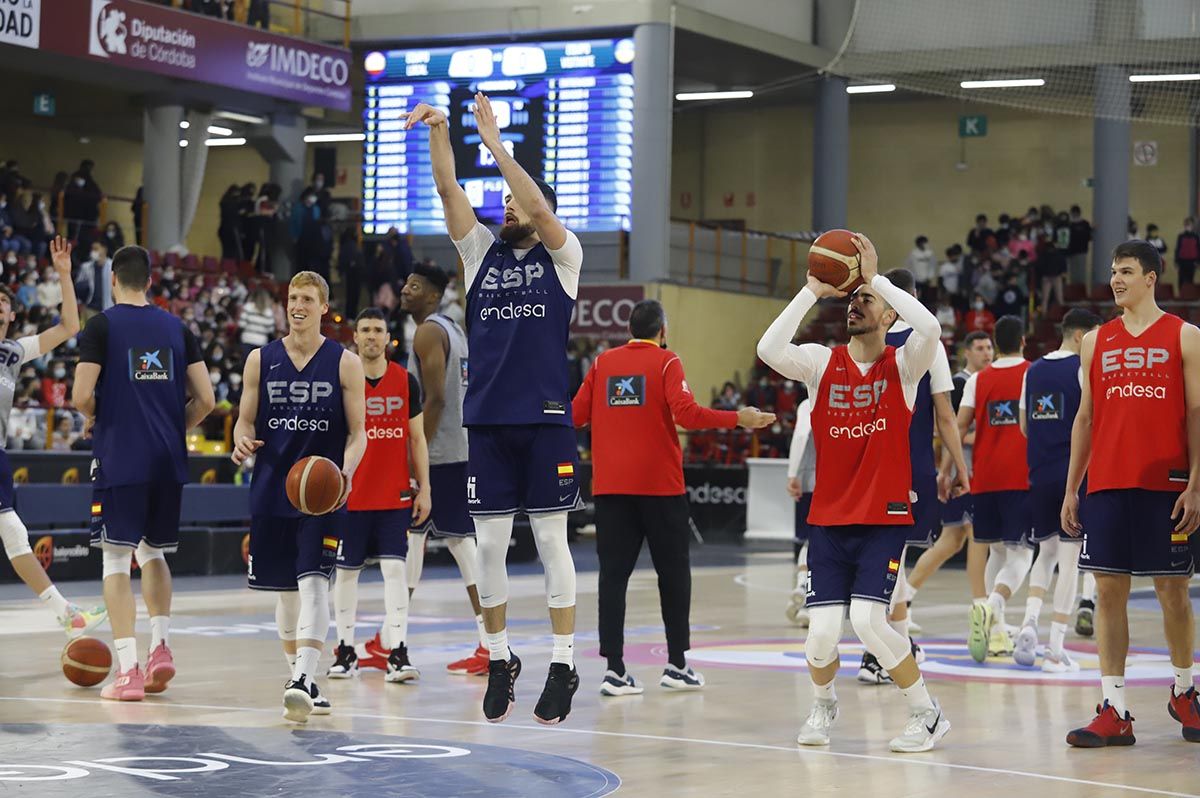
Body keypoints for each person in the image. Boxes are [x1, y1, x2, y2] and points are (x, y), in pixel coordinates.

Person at [405, 93, 583, 725]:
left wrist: (499, 147)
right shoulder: (480, 255)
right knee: (490, 549)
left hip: (545, 423)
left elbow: (534, 202)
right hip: (487, 423)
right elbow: (449, 187)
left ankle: (563, 662)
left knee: (553, 541)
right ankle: (501, 657)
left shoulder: (564, 258)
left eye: (517, 201)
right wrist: (442, 132)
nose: (508, 206)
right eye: (503, 200)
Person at [757, 233, 951, 753]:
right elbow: (768, 349)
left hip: (883, 517)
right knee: (820, 634)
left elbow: (930, 326)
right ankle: (823, 705)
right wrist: (811, 292)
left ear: (890, 316)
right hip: (829, 519)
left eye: (867, 301)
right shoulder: (821, 364)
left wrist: (876, 278)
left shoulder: (905, 367)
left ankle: (926, 713)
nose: (856, 304)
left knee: (867, 620)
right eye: (855, 299)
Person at [574, 299, 773, 696]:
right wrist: (739, 418)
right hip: (660, 490)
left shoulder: (601, 364)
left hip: (611, 490)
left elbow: (576, 415)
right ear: (662, 332)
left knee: (612, 579)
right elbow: (688, 414)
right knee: (674, 577)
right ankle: (677, 665)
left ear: (629, 329)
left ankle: (614, 670)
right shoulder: (667, 362)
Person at [1062, 240, 1200, 747]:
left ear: (1151, 278)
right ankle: (1114, 709)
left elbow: (1197, 415)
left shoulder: (1186, 337)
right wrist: (1072, 487)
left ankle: (1185, 691)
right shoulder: (1096, 341)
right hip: (1106, 484)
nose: (1115, 279)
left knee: (1173, 593)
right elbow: (1085, 418)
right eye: (1112, 272)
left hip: (1165, 485)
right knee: (1106, 592)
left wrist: (1196, 483)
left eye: (1126, 271)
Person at [73, 244, 216, 701]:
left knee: (116, 559)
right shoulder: (177, 327)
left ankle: (128, 670)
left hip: (122, 457)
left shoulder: (102, 325)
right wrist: (175, 426)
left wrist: (103, 415)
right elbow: (208, 401)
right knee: (154, 553)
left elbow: (80, 396)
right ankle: (160, 648)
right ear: (150, 281)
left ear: (113, 280)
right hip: (168, 459)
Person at [231, 271, 367, 723]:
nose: (297, 305)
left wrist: (344, 472)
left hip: (323, 495)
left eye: (307, 298)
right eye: (292, 298)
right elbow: (244, 421)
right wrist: (241, 441)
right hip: (272, 488)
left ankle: (304, 677)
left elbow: (359, 433)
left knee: (314, 584)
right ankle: (302, 678)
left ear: (323, 307)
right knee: (285, 594)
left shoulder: (344, 362)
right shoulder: (260, 360)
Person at [857, 268, 968, 685]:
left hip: (864, 461)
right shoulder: (926, 344)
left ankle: (895, 647)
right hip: (905, 463)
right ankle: (880, 653)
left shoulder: (863, 340)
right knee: (892, 558)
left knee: (887, 557)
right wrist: (957, 465)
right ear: (915, 298)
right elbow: (945, 416)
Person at [0, 238, 105, 637]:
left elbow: (70, 327)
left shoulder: (12, 351)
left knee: (13, 533)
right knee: (12, 532)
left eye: (3, 301)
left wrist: (63, 273)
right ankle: (66, 613)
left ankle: (66, 614)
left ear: (11, 313)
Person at [398, 263, 492, 676]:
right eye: (406, 282)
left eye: (414, 286)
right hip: (461, 447)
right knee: (426, 542)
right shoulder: (454, 329)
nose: (405, 289)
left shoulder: (428, 332)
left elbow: (433, 399)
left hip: (439, 453)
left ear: (433, 296)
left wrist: (415, 455)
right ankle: (391, 638)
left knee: (437, 542)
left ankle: (488, 641)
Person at [328, 308, 431, 683]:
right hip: (350, 496)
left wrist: (426, 488)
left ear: (388, 338)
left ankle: (398, 652)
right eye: (365, 330)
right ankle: (345, 651)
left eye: (378, 330)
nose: (372, 336)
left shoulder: (406, 381)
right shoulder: (341, 380)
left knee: (394, 570)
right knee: (345, 575)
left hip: (394, 494)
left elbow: (417, 440)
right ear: (354, 336)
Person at [1013, 308, 1101, 672]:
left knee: (1044, 553)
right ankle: (1055, 648)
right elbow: (1091, 420)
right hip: (1073, 478)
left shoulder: (1032, 370)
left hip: (1039, 473)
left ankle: (1029, 622)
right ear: (1081, 337)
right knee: (1069, 562)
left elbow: (1024, 426)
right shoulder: (1082, 369)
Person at [907, 332, 993, 635]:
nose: (987, 353)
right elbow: (948, 428)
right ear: (966, 352)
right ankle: (982, 612)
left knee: (949, 542)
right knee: (976, 537)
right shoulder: (959, 384)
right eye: (980, 348)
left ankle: (905, 597)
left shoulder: (988, 381)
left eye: (989, 347)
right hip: (963, 473)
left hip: (974, 472)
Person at [958, 315, 1031, 663]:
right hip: (1021, 479)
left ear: (995, 346)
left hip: (984, 479)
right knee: (1022, 555)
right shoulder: (1034, 373)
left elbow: (957, 428)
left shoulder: (978, 380)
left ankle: (998, 632)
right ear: (1022, 341)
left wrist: (949, 472)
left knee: (996, 553)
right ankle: (992, 606)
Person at [785, 396, 814, 627]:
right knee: (821, 541)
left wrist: (793, 473)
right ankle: (808, 598)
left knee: (809, 539)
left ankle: (802, 583)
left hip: (808, 477)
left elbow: (801, 436)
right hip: (834, 480)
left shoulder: (807, 404)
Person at [1175, 217, 1199, 286]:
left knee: (1190, 280)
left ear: (1192, 226)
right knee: (1181, 280)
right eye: (1186, 224)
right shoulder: (1181, 236)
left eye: (1189, 224)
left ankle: (1189, 295)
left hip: (1192, 262)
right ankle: (1181, 295)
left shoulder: (1196, 236)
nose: (1187, 226)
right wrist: (1176, 261)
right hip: (1182, 262)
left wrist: (1197, 261)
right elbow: (1178, 249)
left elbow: (1198, 249)